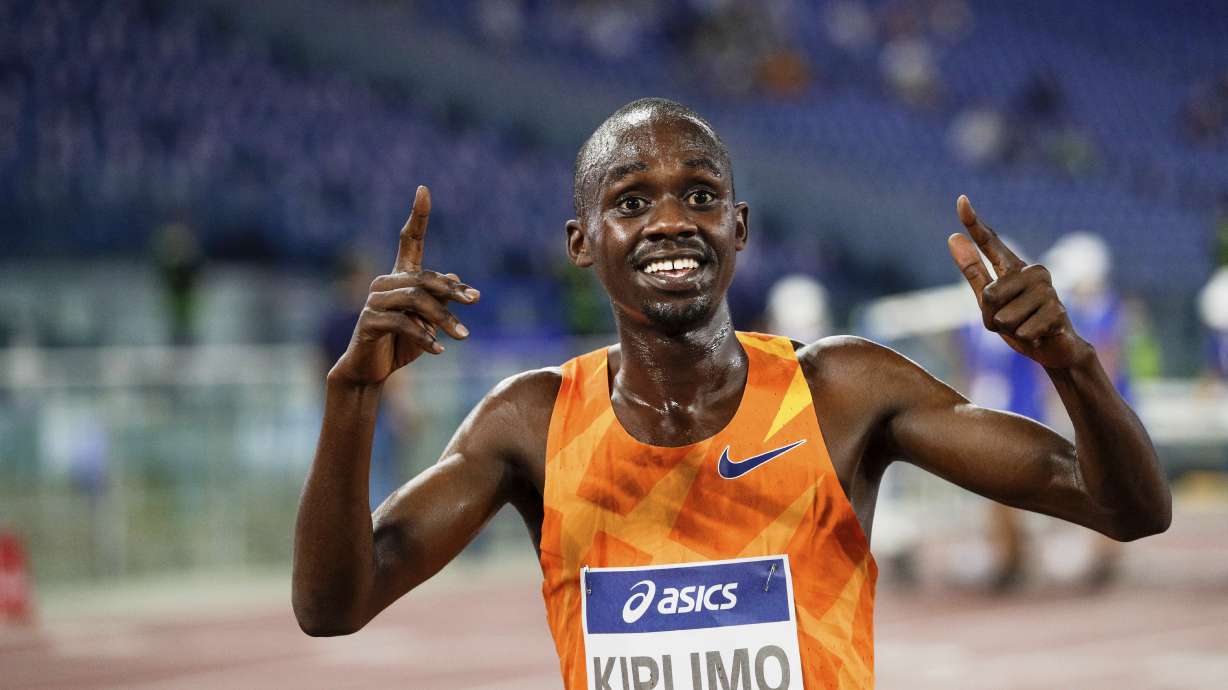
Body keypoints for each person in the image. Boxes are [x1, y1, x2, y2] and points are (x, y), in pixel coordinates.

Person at [292, 98, 1171, 690]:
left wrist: (1070, 361)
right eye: (631, 202)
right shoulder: (533, 421)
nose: (671, 221)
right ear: (582, 240)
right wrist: (353, 397)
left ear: (738, 229)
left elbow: (1127, 508)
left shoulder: (843, 392)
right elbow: (332, 607)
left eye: (701, 195)